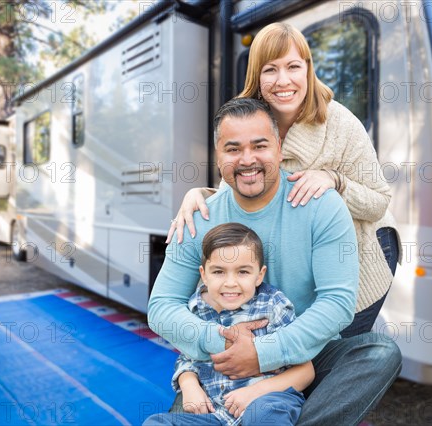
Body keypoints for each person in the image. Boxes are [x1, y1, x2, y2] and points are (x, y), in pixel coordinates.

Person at [148, 97, 401, 425]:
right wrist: (222, 342)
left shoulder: (321, 205)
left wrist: (263, 353)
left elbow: (337, 303)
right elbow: (162, 307)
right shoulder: (200, 215)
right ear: (218, 155)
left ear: (279, 147)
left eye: (260, 145)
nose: (247, 159)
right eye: (233, 148)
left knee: (379, 353)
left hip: (303, 355)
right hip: (222, 361)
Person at [167, 22, 400, 337]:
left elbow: (379, 201)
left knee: (333, 349)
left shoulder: (340, 123)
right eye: (270, 70)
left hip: (363, 248)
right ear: (257, 77)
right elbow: (241, 183)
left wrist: (336, 180)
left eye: (293, 67)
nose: (283, 81)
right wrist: (201, 194)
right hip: (302, 256)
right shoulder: (250, 119)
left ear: (307, 69)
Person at [144, 223, 313, 425]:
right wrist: (189, 385)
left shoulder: (272, 305)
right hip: (217, 414)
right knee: (156, 422)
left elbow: (305, 370)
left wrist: (254, 392)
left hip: (267, 401)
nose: (230, 282)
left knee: (263, 416)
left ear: (259, 275)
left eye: (242, 272)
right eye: (218, 272)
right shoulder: (196, 308)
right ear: (204, 274)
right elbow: (188, 358)